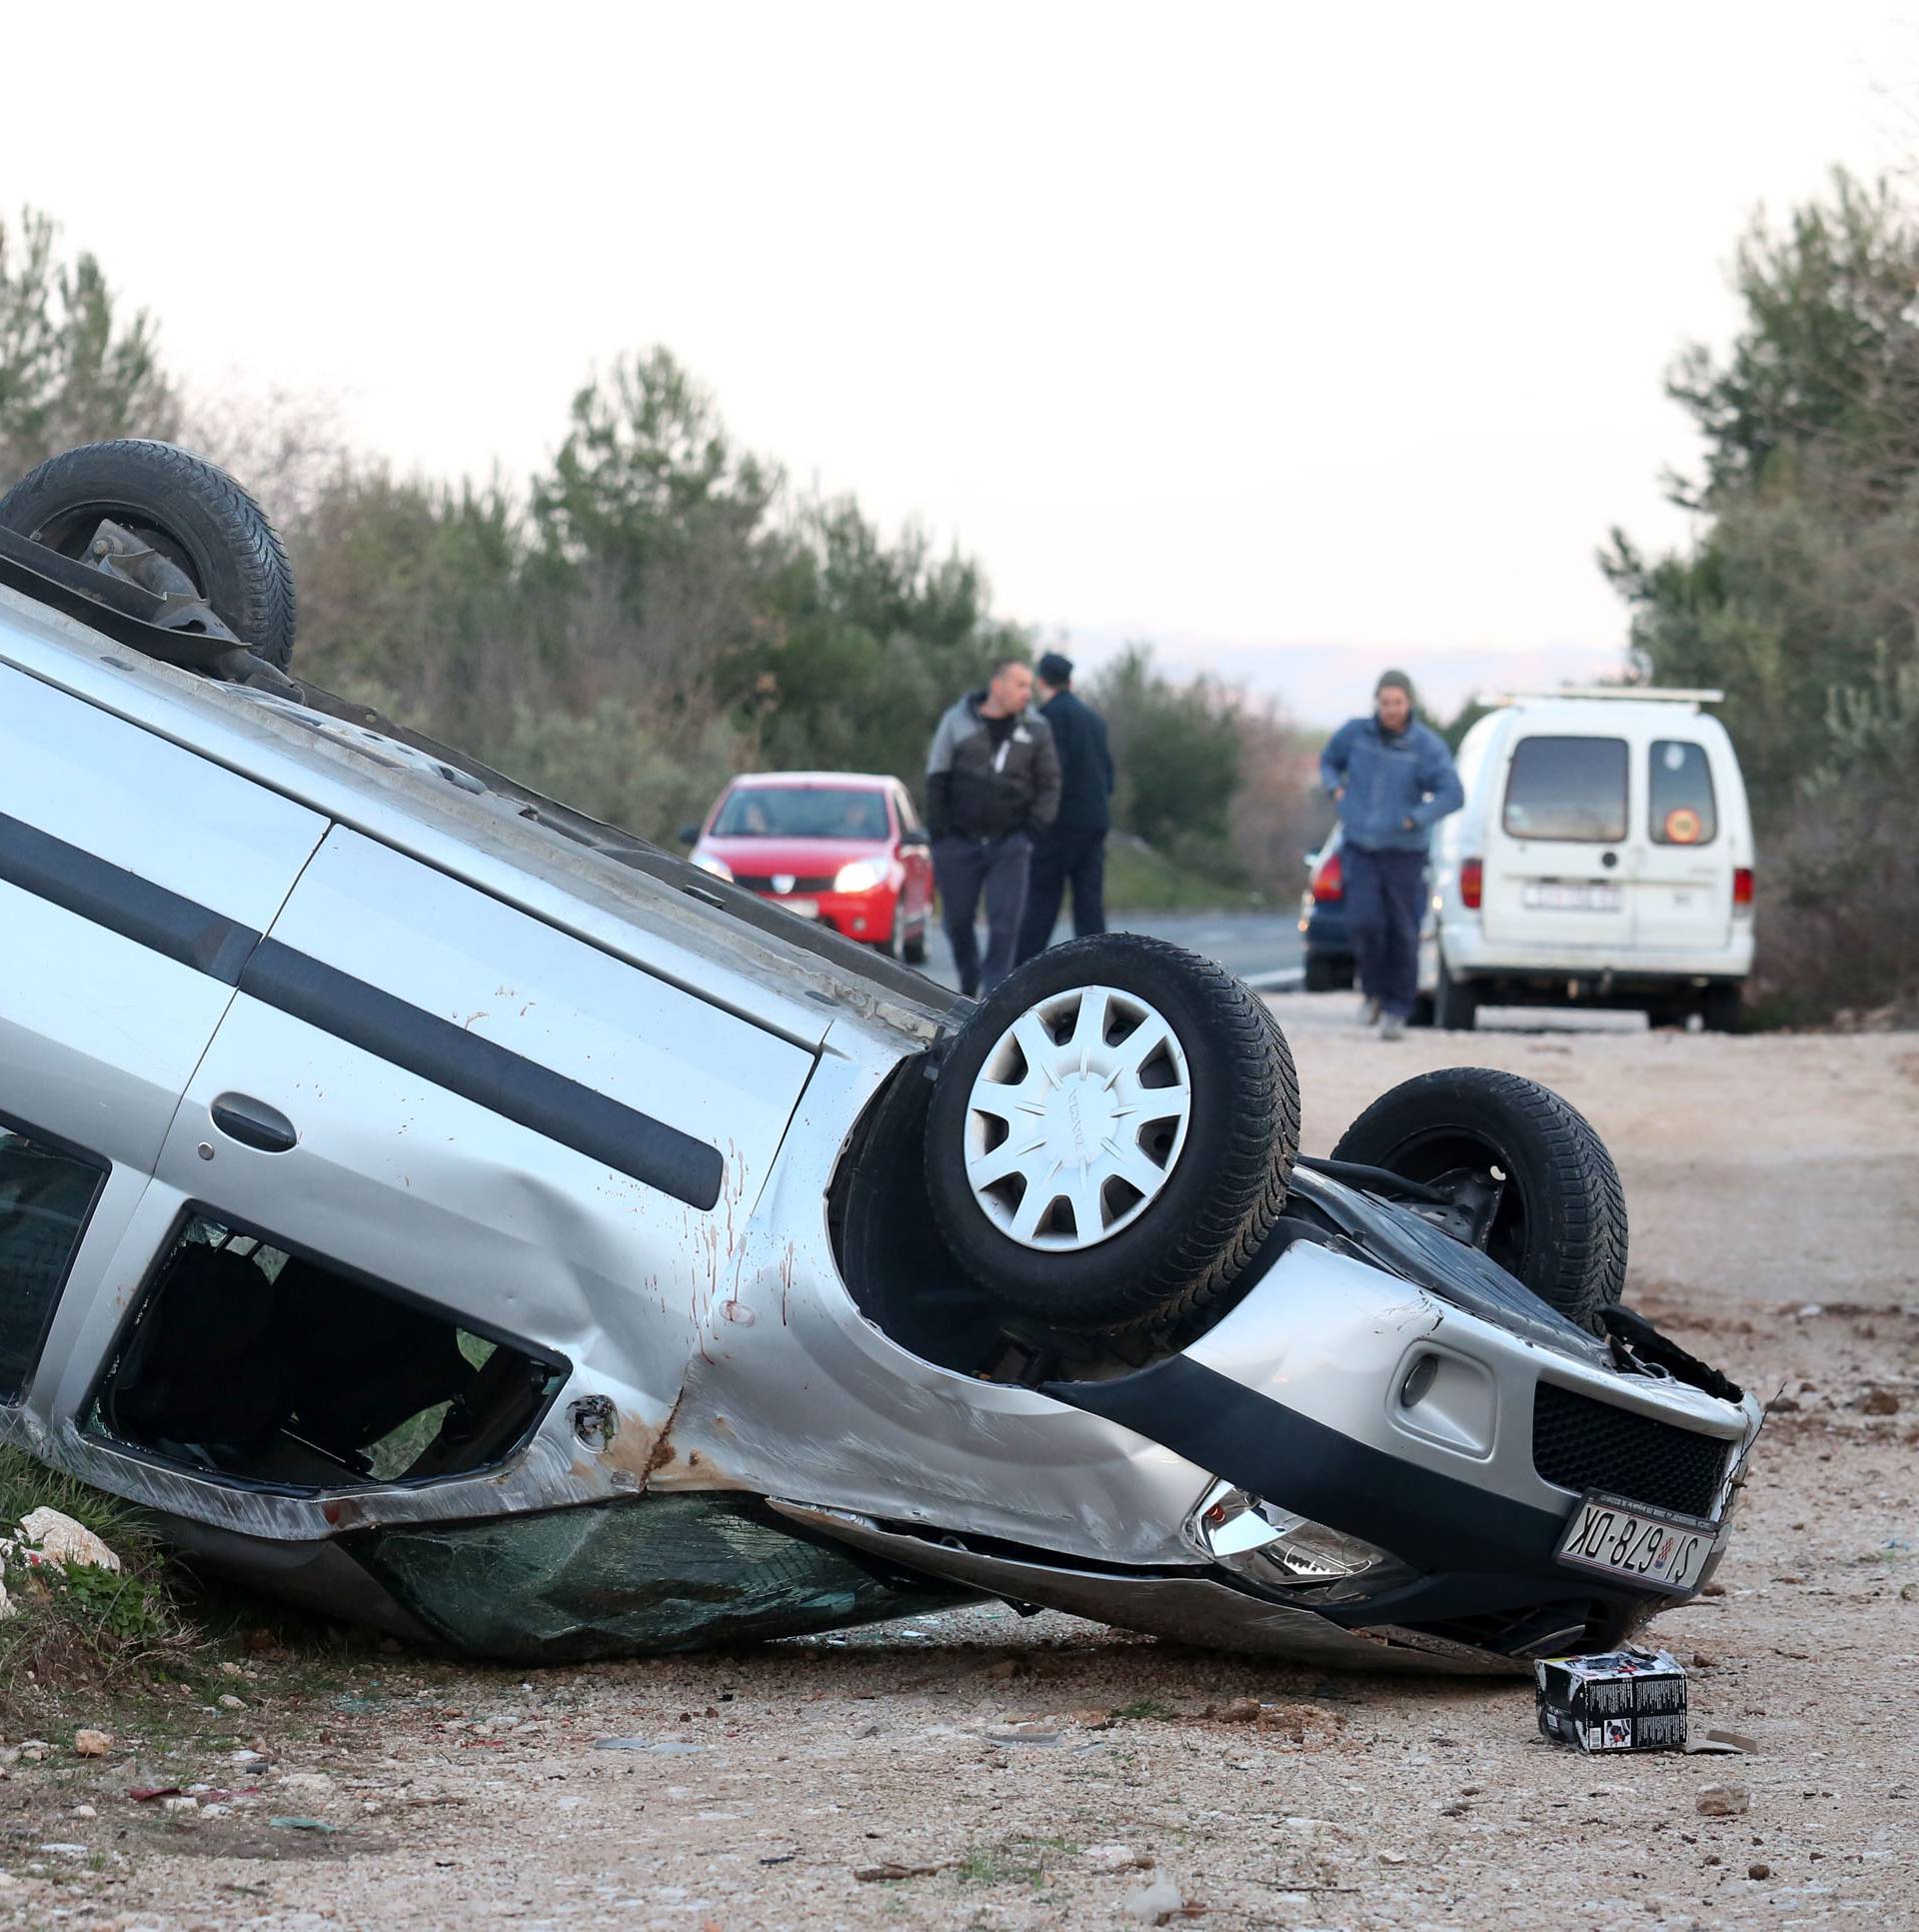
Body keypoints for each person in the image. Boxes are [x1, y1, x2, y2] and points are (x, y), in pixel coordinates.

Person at [1318, 670, 1463, 1038]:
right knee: (1364, 922)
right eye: (1384, 703)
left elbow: (1452, 793)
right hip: (1359, 846)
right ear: (1376, 703)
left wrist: (1418, 818)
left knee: (1403, 930)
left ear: (1409, 703)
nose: (1391, 710)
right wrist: (1335, 788)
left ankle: (1398, 1009)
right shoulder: (1355, 734)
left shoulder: (1425, 746)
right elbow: (1329, 761)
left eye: (1397, 703)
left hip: (1403, 852)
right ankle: (1372, 993)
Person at [926, 656, 1062, 995]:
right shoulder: (956, 722)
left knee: (1005, 925)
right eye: (1020, 684)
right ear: (997, 685)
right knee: (956, 922)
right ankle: (969, 979)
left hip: (1010, 843)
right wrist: (941, 834)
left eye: (1030, 686)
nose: (1027, 693)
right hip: (959, 842)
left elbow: (1050, 783)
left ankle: (991, 996)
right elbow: (936, 777)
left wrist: (1033, 829)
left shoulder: (1036, 728)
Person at [1014, 651, 1115, 964]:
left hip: (1059, 826)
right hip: (1094, 822)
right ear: (1070, 681)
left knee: (1042, 902)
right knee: (1089, 905)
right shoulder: (1094, 720)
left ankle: (1019, 976)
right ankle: (1099, 971)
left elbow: (1049, 774)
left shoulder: (1048, 719)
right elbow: (1107, 775)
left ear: (1041, 680)